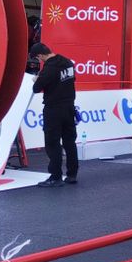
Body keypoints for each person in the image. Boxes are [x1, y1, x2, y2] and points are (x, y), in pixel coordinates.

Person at [30, 43, 78, 187]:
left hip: (53, 109)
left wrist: (36, 79)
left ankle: (55, 176)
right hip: (69, 106)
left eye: (38, 58)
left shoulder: (49, 68)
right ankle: (72, 174)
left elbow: (36, 88)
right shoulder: (68, 62)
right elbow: (72, 80)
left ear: (40, 55)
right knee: (70, 141)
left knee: (53, 143)